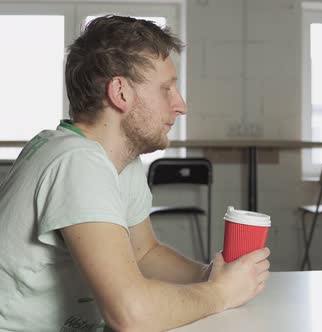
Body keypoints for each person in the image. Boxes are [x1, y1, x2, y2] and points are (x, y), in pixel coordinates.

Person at [0, 15, 270, 332]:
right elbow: (131, 315)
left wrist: (211, 275)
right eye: (166, 88)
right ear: (121, 92)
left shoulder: (116, 158)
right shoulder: (76, 161)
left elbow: (145, 253)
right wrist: (220, 293)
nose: (180, 105)